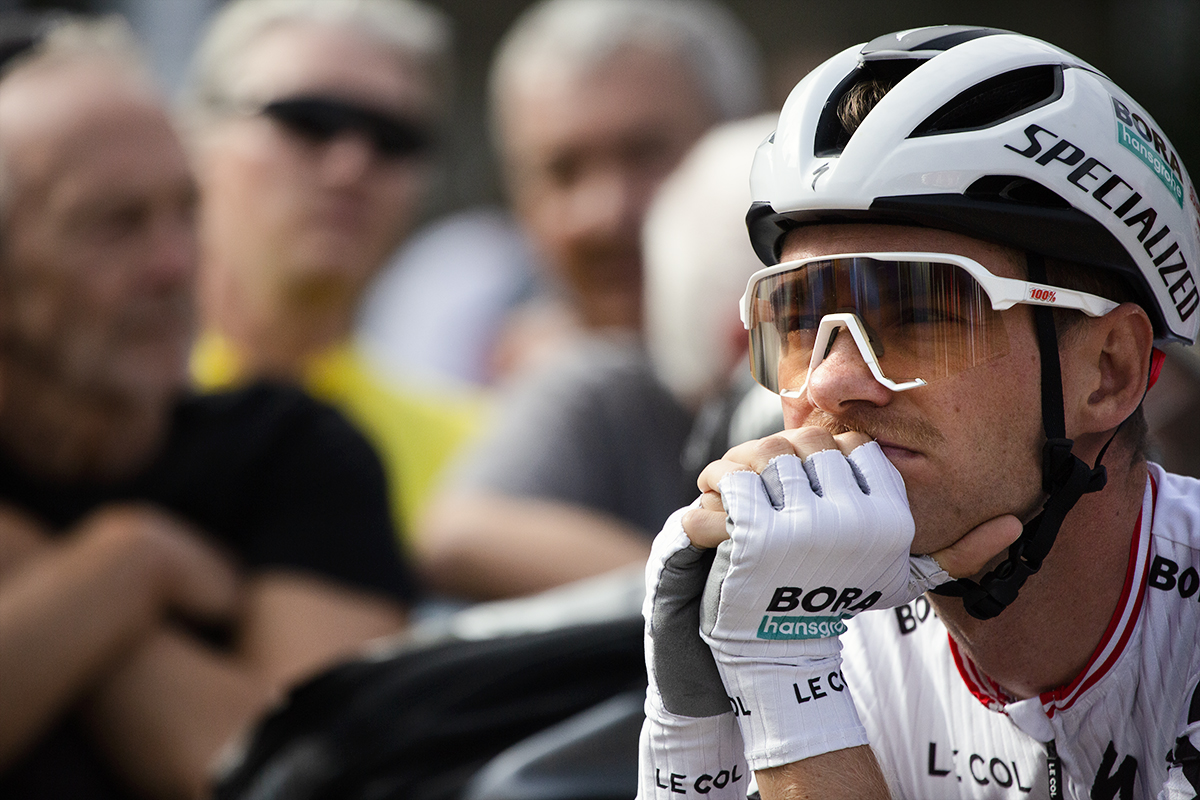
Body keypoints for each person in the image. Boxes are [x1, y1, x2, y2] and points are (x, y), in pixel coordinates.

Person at [639, 25, 1200, 800]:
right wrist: (695, 715)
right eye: (799, 319)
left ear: (1109, 372)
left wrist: (782, 683)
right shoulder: (790, 614)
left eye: (922, 313)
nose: (832, 383)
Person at [0, 16, 414, 799]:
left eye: (185, 212)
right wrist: (127, 566)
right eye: (113, 225)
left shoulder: (294, 453)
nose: (174, 265)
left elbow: (303, 783)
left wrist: (84, 569)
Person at [416, 0, 766, 600]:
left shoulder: (859, 345)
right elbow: (457, 533)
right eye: (563, 171)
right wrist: (719, 595)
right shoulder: (582, 384)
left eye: (646, 153)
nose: (606, 213)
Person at [183, 0, 478, 541]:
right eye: (307, 121)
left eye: (393, 139)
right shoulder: (97, 411)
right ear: (195, 138)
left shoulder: (476, 454)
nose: (350, 166)